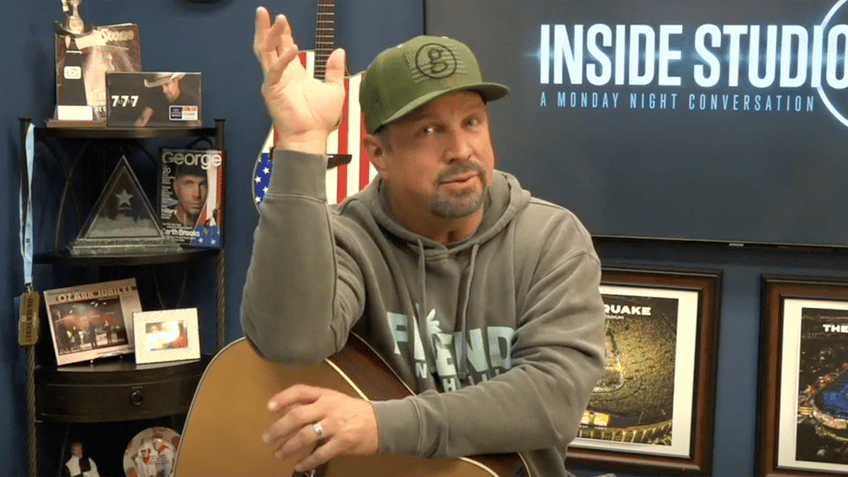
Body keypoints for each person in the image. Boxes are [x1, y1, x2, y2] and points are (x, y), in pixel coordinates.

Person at [241, 7, 606, 477]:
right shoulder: (349, 237)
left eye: (472, 122)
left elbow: (553, 400)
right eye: (430, 131)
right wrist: (302, 140)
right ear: (379, 155)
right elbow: (289, 343)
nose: (461, 149)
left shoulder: (550, 238)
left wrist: (382, 422)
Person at [134, 72, 200, 127]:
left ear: (176, 81)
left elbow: (191, 126)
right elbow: (142, 119)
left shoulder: (188, 101)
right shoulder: (156, 98)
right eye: (160, 86)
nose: (164, 90)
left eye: (166, 84)